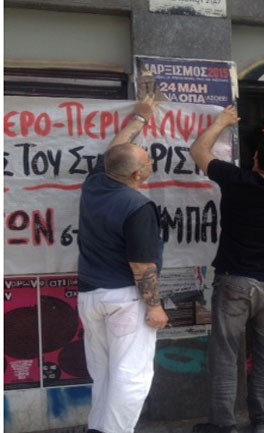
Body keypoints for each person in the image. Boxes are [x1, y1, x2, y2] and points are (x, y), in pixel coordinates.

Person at [189, 106, 264, 433]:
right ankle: (262, 419)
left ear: (254, 158)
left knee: (225, 354)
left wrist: (221, 122)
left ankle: (223, 423)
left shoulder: (237, 180)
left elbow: (198, 151)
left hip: (236, 282)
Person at [77, 96, 168, 433]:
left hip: (90, 297)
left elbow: (114, 152)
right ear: (138, 174)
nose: (151, 164)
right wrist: (154, 306)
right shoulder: (138, 206)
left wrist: (140, 119)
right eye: (147, 161)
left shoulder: (94, 185)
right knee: (131, 375)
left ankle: (98, 427)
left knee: (103, 372)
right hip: (124, 300)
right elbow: (142, 266)